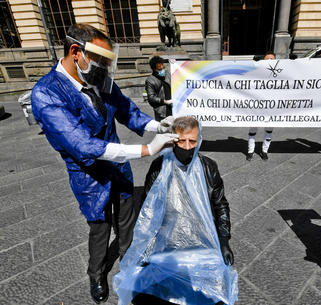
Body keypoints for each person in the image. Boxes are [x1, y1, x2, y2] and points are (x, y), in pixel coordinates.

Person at [31, 24, 178, 304]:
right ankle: (96, 274)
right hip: (89, 176)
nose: (105, 69)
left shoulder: (101, 81)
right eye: (100, 61)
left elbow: (126, 110)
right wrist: (147, 149)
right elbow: (82, 145)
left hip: (118, 167)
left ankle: (131, 263)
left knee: (127, 221)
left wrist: (158, 125)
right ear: (76, 52)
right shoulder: (47, 94)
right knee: (100, 229)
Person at [113, 116, 237, 305]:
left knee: (213, 285)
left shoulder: (208, 167)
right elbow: (149, 209)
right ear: (173, 139)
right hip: (167, 236)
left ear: (199, 140)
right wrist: (146, 247)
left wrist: (224, 240)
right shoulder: (160, 167)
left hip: (202, 237)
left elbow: (220, 205)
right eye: (182, 140)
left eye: (192, 141)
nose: (187, 147)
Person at [247, 51, 275, 161]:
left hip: (271, 108)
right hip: (256, 107)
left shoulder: (280, 73)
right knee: (252, 130)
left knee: (269, 131)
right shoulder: (256, 73)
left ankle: (265, 151)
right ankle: (250, 151)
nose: (269, 62)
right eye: (267, 59)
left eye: (272, 59)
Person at [146, 56, 172, 121]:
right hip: (162, 111)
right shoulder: (150, 80)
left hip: (173, 108)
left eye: (163, 68)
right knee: (165, 130)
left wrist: (175, 64)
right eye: (159, 69)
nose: (162, 70)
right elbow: (151, 98)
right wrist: (165, 101)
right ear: (154, 69)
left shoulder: (167, 74)